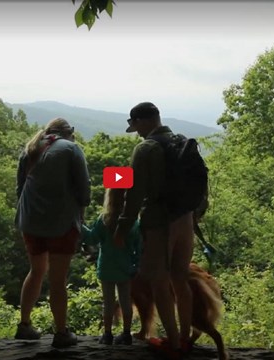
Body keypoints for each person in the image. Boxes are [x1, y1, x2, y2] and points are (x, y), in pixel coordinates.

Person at [113, 102, 194, 359]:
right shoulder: (182, 142)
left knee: (159, 281)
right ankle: (185, 337)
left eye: (134, 126)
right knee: (181, 279)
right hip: (186, 219)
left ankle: (172, 342)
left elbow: (134, 195)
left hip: (159, 223)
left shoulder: (145, 149)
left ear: (140, 121)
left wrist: (122, 228)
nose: (135, 132)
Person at [14, 118, 91, 348]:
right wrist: (82, 209)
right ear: (69, 132)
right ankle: (61, 333)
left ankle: (24, 326)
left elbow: (20, 189)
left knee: (36, 271)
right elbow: (84, 187)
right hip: (61, 223)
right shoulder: (71, 149)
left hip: (30, 222)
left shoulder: (30, 148)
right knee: (57, 280)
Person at [81, 188, 142, 346]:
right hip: (125, 268)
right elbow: (139, 246)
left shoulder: (103, 220)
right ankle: (126, 334)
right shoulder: (133, 222)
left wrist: (80, 226)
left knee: (108, 302)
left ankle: (107, 335)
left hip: (107, 268)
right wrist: (136, 264)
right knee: (125, 301)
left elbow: (92, 238)